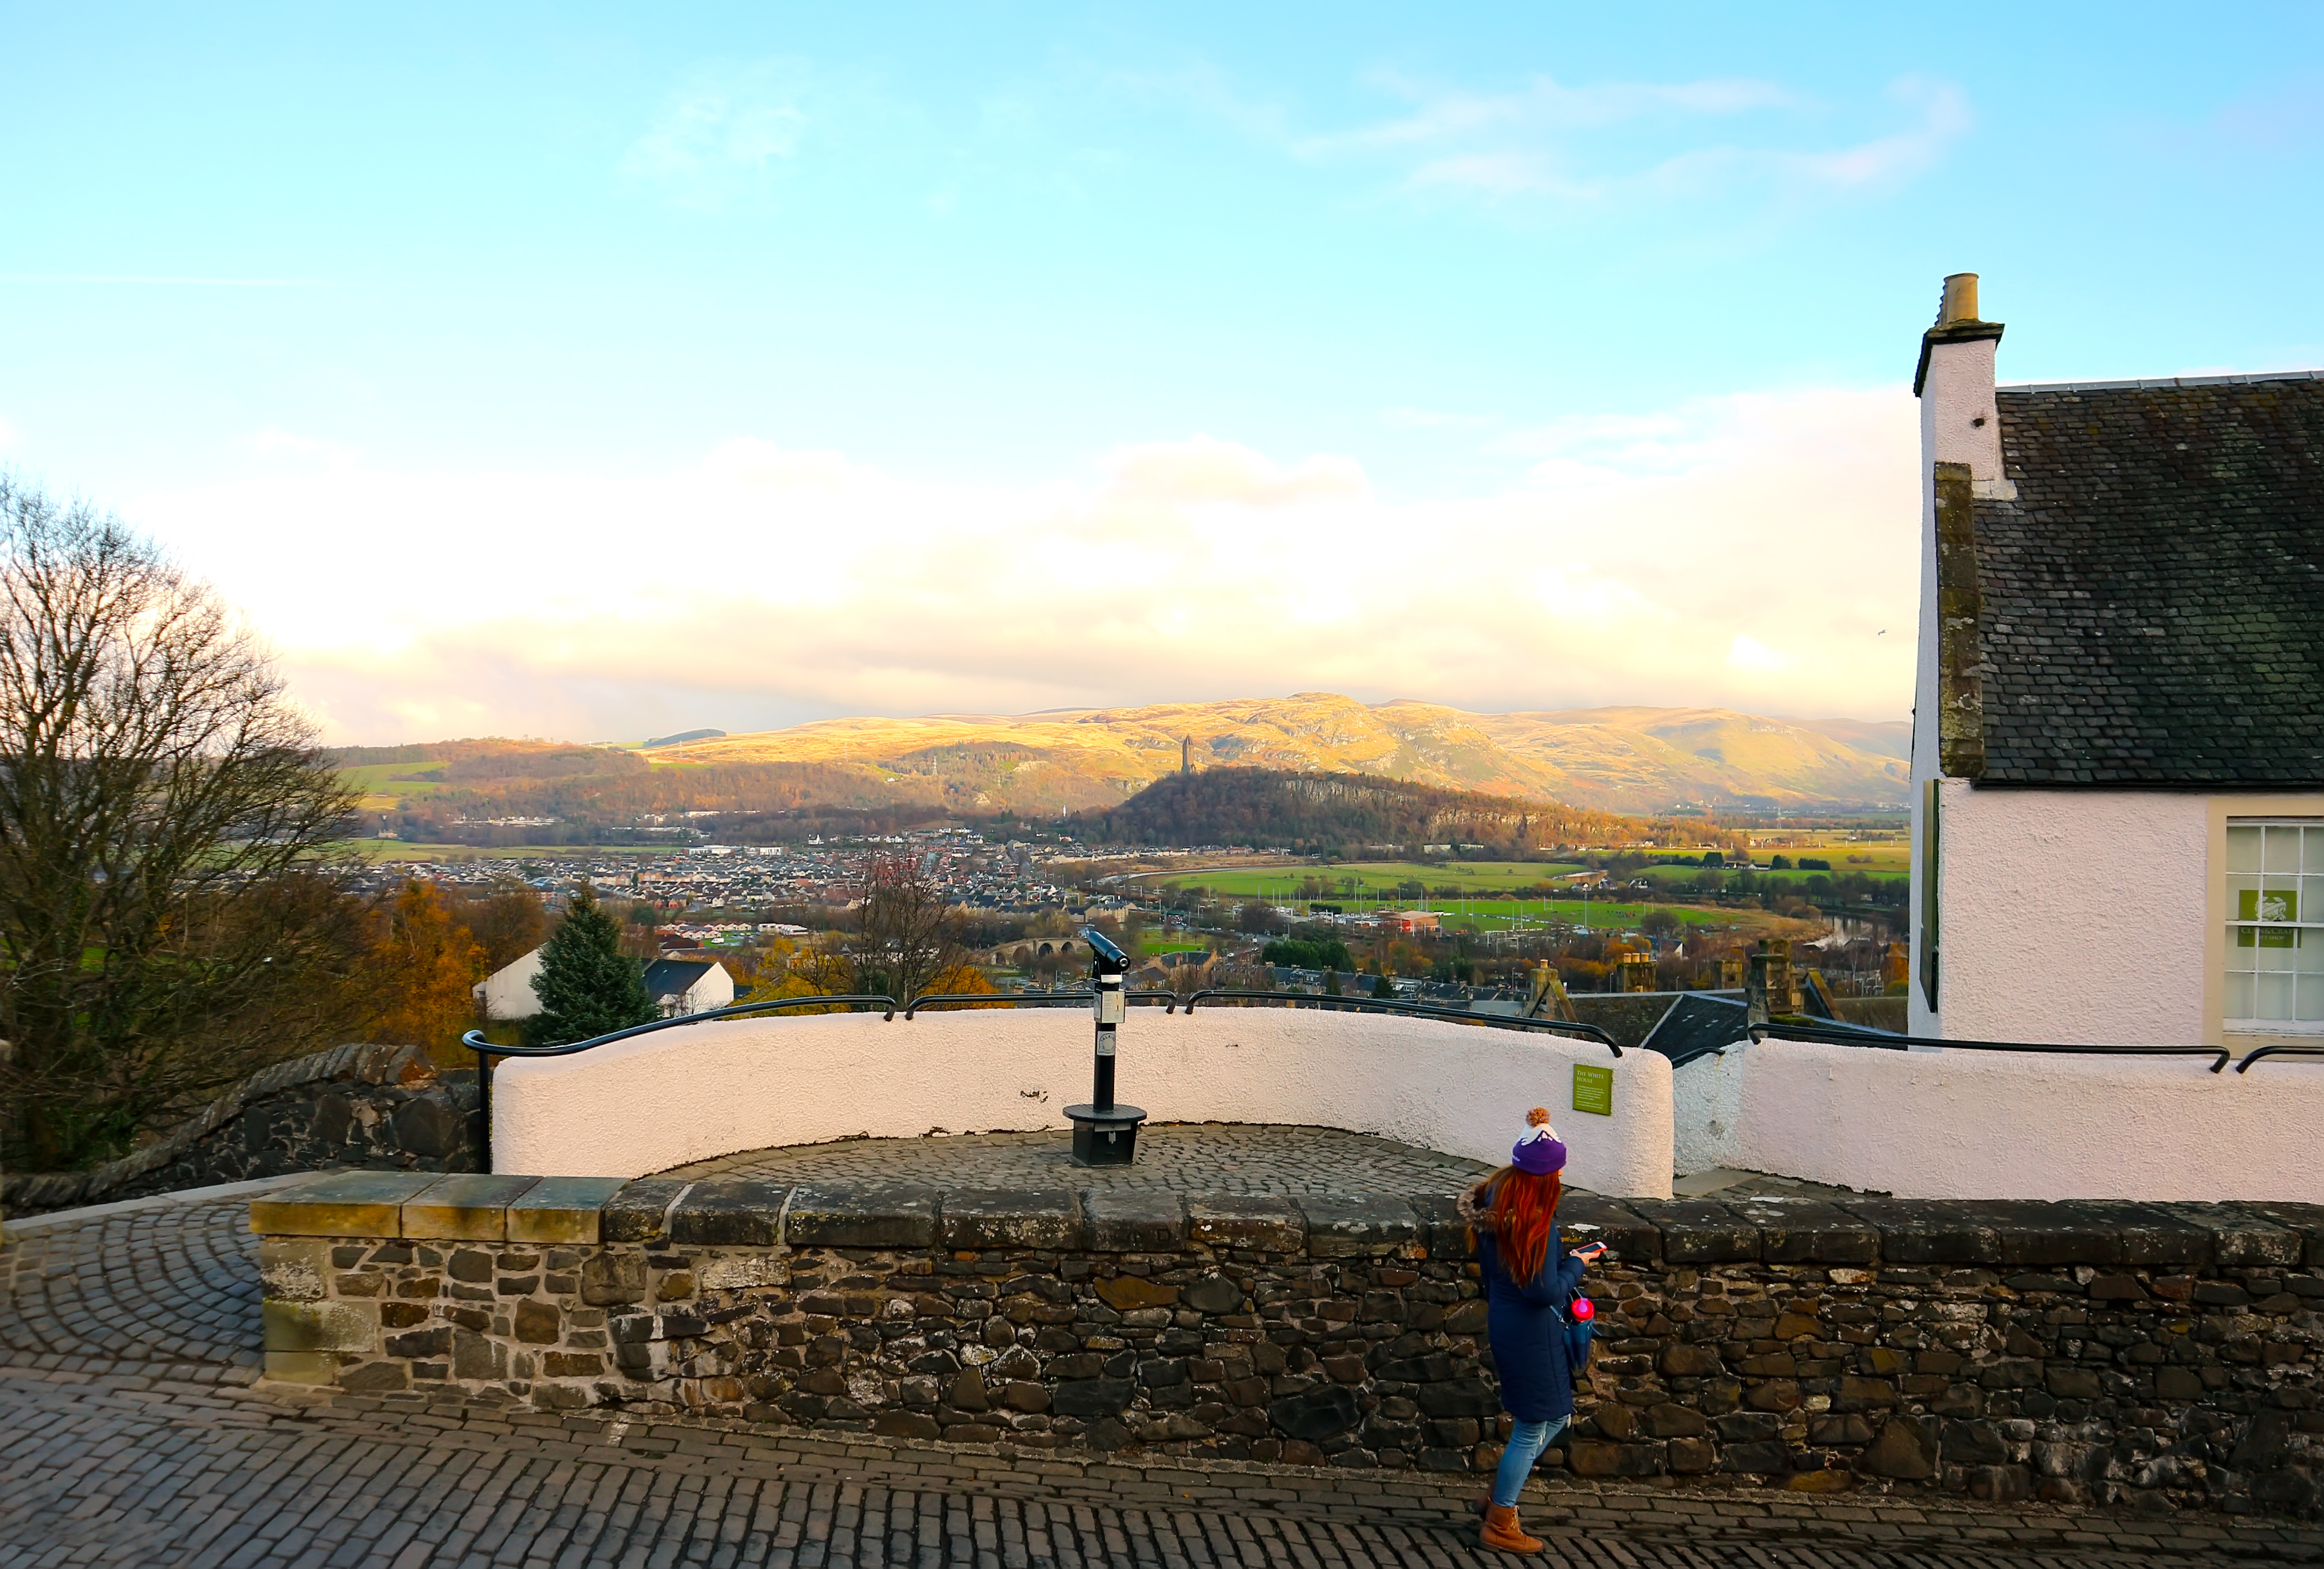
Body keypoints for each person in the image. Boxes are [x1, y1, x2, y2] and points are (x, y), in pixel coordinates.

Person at [1459, 1107, 1604, 1555]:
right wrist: (1577, 1264)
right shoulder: (1534, 1226)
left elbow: (1505, 1278)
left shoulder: (1497, 1206)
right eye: (1559, 1171)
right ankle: (1500, 1521)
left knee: (1554, 1416)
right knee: (1533, 1425)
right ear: (1545, 1178)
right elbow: (1542, 1291)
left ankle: (1498, 1496)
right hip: (1532, 1332)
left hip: (1508, 1322)